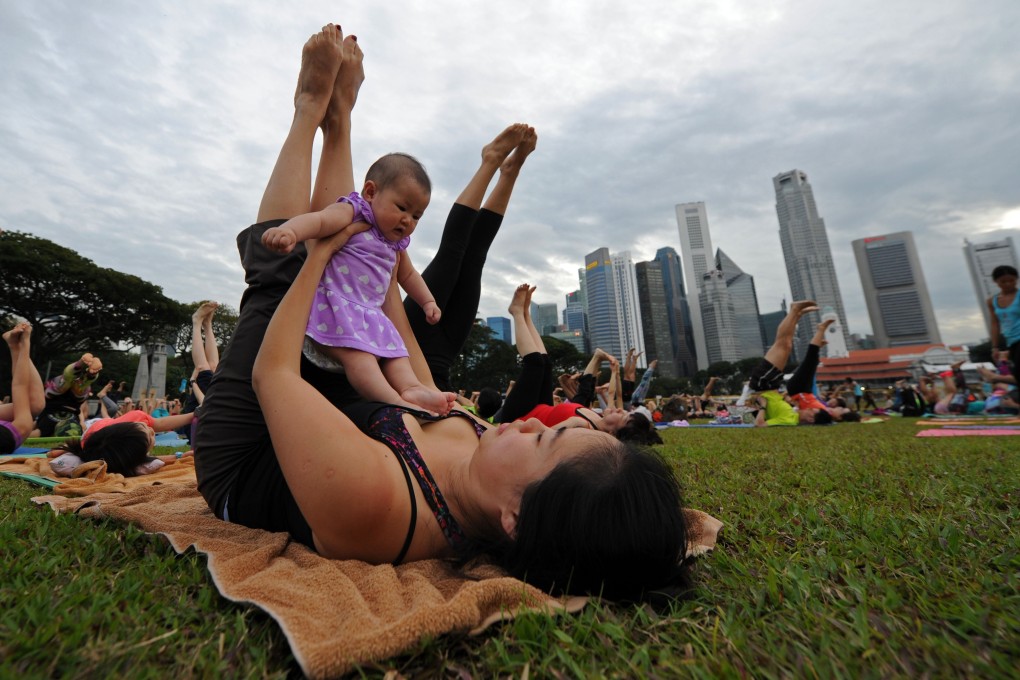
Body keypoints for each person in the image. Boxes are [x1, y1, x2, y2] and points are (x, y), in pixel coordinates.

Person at [194, 25, 691, 602]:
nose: (532, 422)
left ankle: (309, 110)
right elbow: (403, 349)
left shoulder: (381, 506)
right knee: (357, 255)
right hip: (334, 407)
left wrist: (321, 256)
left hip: (248, 447)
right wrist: (373, 272)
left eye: (541, 443)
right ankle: (342, 120)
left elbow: (271, 373)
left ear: (515, 519)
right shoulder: (490, 458)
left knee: (279, 278)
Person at [261, 152, 456, 415]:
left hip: (370, 316)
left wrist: (428, 301)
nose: (408, 220)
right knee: (361, 359)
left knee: (397, 353)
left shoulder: (395, 244)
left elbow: (408, 276)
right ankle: (392, 399)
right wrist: (291, 231)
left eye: (416, 216)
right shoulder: (353, 213)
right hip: (336, 309)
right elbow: (319, 221)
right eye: (402, 207)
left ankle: (410, 387)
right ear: (371, 192)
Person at [494, 284, 662, 445]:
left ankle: (516, 312)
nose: (620, 410)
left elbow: (542, 438)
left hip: (519, 417)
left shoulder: (586, 430)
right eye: (625, 411)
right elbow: (610, 392)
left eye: (622, 416)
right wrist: (614, 373)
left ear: (613, 433)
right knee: (546, 364)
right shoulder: (598, 419)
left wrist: (572, 423)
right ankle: (525, 314)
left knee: (535, 364)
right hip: (540, 407)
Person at [748, 302, 856, 426]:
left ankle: (794, 311)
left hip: (762, 386)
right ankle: (796, 314)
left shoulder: (790, 420)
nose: (810, 408)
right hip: (772, 387)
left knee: (782, 345)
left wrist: (763, 407)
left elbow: (760, 425)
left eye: (812, 411)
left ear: (810, 419)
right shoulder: (793, 415)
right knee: (786, 345)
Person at [49, 408, 195, 477]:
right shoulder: (122, 457)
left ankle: (65, 450)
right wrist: (179, 456)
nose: (152, 430)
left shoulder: (137, 417)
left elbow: (161, 423)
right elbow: (151, 460)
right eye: (152, 438)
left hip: (95, 431)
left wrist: (193, 415)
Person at [0, 323, 45, 455]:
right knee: (35, 405)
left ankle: (14, 345)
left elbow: (20, 386)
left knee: (34, 405)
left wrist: (25, 342)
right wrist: (21, 345)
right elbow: (19, 386)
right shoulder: (20, 428)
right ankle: (13, 345)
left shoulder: (22, 428)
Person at [34, 353, 103, 437]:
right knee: (73, 385)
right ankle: (87, 373)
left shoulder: (45, 429)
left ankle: (86, 371)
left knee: (72, 384)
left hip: (58, 411)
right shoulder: (44, 430)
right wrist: (81, 422)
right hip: (71, 414)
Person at [987, 264, 1020, 387]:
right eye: (1003, 281)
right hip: (1011, 341)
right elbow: (995, 324)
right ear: (996, 282)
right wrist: (995, 347)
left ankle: (995, 377)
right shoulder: (992, 301)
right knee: (1017, 373)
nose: (1008, 284)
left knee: (1018, 372)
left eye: (1011, 280)